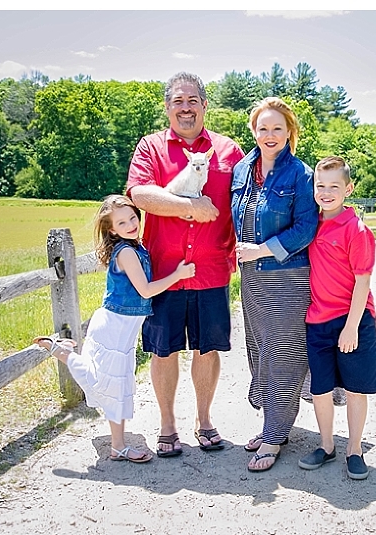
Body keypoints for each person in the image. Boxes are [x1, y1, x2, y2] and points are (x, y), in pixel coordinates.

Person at [126, 72, 245, 457]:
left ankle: (204, 419)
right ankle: (167, 424)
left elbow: (250, 197)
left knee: (207, 349)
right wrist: (191, 207)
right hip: (164, 270)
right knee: (164, 350)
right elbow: (141, 194)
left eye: (192, 100)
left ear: (205, 106)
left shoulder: (228, 151)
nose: (186, 108)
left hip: (212, 267)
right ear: (167, 107)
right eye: (178, 101)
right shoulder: (151, 147)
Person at [34, 195, 195, 464]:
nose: (131, 224)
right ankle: (118, 446)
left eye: (133, 217)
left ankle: (62, 352)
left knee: (114, 384)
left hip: (121, 330)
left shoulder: (136, 246)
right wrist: (177, 275)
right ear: (112, 229)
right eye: (122, 222)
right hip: (113, 328)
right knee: (113, 385)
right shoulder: (128, 252)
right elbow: (145, 289)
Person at [230, 97, 318, 472]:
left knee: (284, 355)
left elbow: (306, 228)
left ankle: (276, 434)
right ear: (253, 130)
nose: (270, 135)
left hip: (288, 278)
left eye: (277, 128)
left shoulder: (300, 173)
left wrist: (261, 250)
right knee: (260, 351)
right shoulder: (241, 171)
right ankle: (272, 422)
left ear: (289, 133)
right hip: (252, 280)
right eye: (263, 128)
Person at [298, 156, 376, 480]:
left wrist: (351, 327)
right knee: (320, 388)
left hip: (353, 320)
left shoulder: (357, 230)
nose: (326, 192)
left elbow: (363, 282)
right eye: (320, 186)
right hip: (318, 320)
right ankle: (326, 445)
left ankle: (354, 448)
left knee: (354, 388)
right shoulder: (311, 224)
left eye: (334, 186)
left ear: (348, 189)